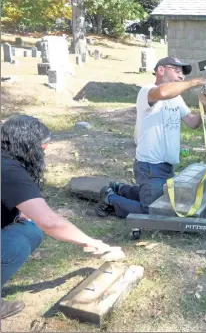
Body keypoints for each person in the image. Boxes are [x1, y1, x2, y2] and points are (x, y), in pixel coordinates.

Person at [1, 115, 118, 319]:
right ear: (26, 144)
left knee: (28, 227)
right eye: (43, 144)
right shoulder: (9, 170)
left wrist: (14, 213)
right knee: (22, 239)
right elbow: (50, 222)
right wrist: (93, 242)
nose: (45, 149)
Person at [96, 57, 206, 218]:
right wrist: (194, 82)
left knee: (162, 200)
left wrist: (204, 106)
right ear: (161, 70)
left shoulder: (176, 98)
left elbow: (193, 122)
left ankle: (121, 189)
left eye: (183, 74)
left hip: (166, 166)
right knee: (152, 212)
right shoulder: (147, 91)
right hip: (150, 166)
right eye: (177, 71)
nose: (181, 76)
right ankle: (110, 198)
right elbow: (163, 92)